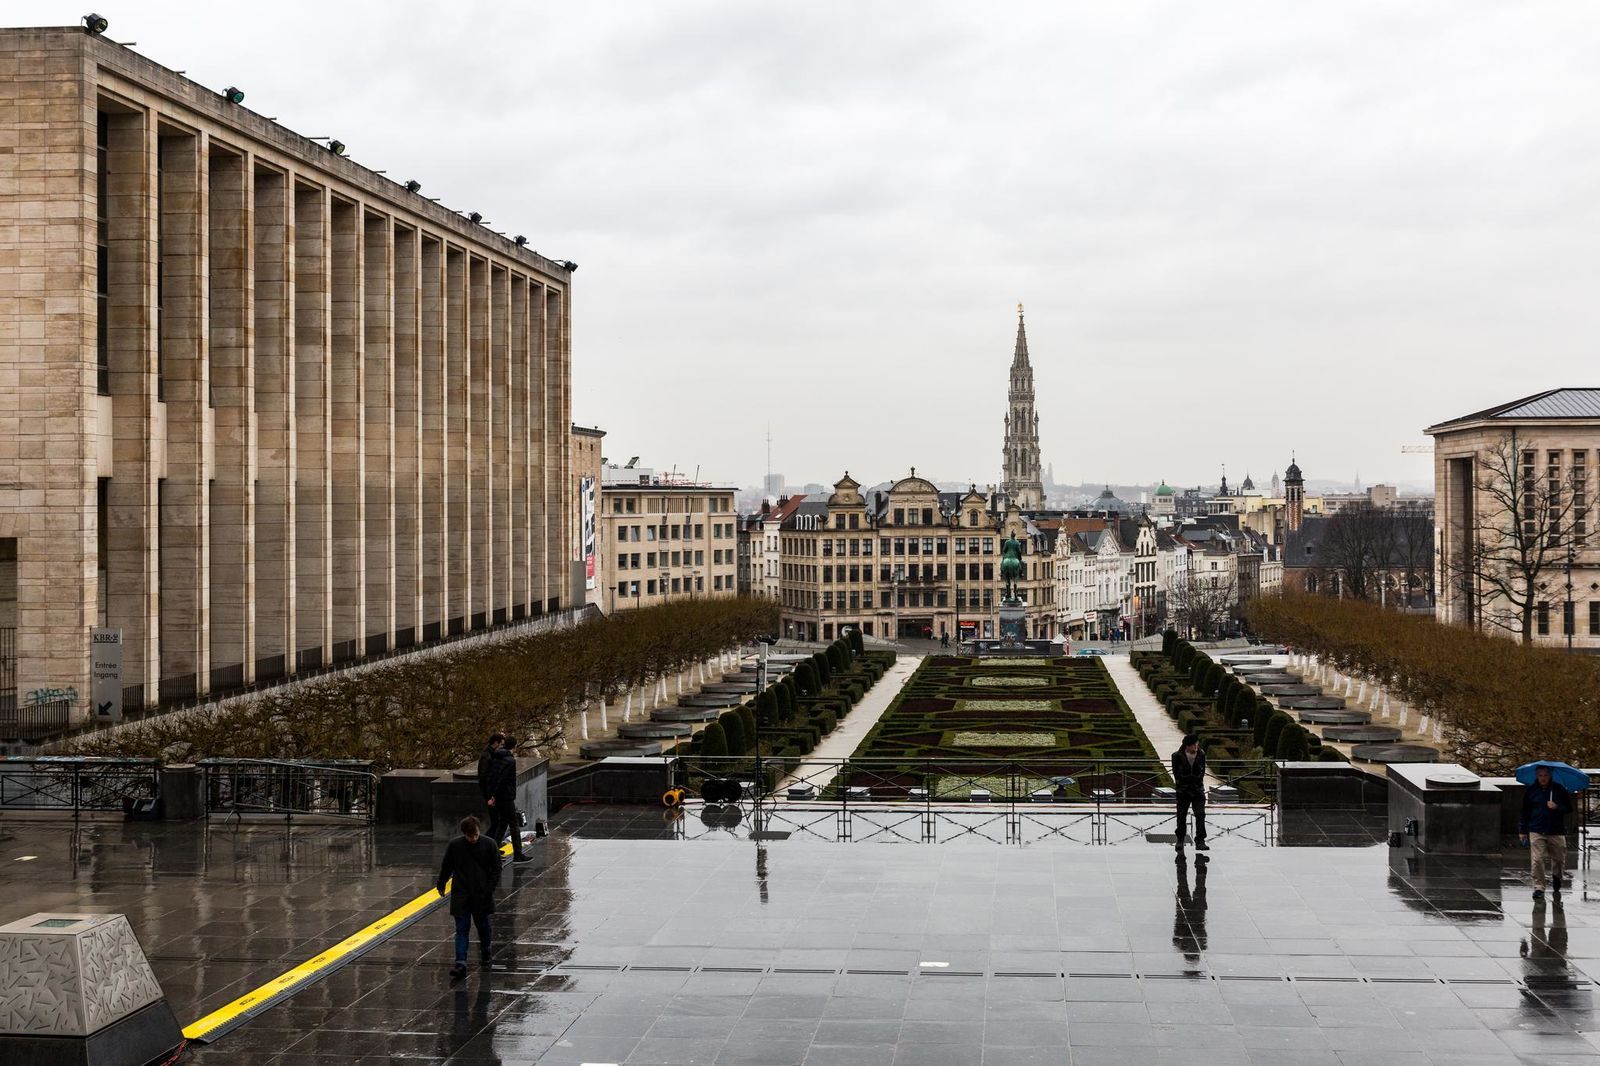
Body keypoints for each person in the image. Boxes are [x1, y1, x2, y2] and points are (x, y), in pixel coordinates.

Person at [436, 815, 501, 977]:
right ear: (464, 833)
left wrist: (490, 888)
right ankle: (460, 963)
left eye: (476, 835)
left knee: (483, 926)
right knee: (462, 929)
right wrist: (442, 882)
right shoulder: (455, 845)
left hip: (481, 893)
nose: (473, 838)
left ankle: (485, 951)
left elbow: (497, 868)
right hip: (462, 893)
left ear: (479, 830)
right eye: (470, 836)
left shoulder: (489, 844)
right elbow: (447, 866)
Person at [1519, 764, 1572, 900]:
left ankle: (1557, 876)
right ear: (1536, 776)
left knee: (1559, 859)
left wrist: (1556, 807)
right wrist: (1522, 830)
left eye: (1545, 775)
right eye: (1540, 775)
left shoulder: (1559, 789)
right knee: (1537, 860)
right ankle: (1539, 887)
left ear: (1550, 776)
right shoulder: (1531, 791)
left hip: (1556, 830)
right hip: (1536, 829)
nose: (1543, 778)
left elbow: (1568, 808)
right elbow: (1525, 812)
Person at [484, 736, 531, 862]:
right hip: (506, 796)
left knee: (502, 823)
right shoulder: (510, 761)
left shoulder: (497, 757)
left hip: (499, 796)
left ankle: (492, 853)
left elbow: (493, 777)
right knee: (514, 824)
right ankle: (518, 854)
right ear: (515, 746)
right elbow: (503, 780)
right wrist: (495, 795)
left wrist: (492, 795)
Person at [1171, 734, 1209, 852]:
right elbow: (1177, 774)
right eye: (1194, 744)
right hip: (1183, 791)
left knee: (1200, 814)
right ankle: (1180, 839)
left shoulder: (1201, 754)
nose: (1196, 746)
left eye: (1197, 743)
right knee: (1181, 816)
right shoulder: (1177, 756)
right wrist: (1188, 780)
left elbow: (1201, 773)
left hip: (1197, 790)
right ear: (1187, 746)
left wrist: (1194, 780)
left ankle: (1200, 840)